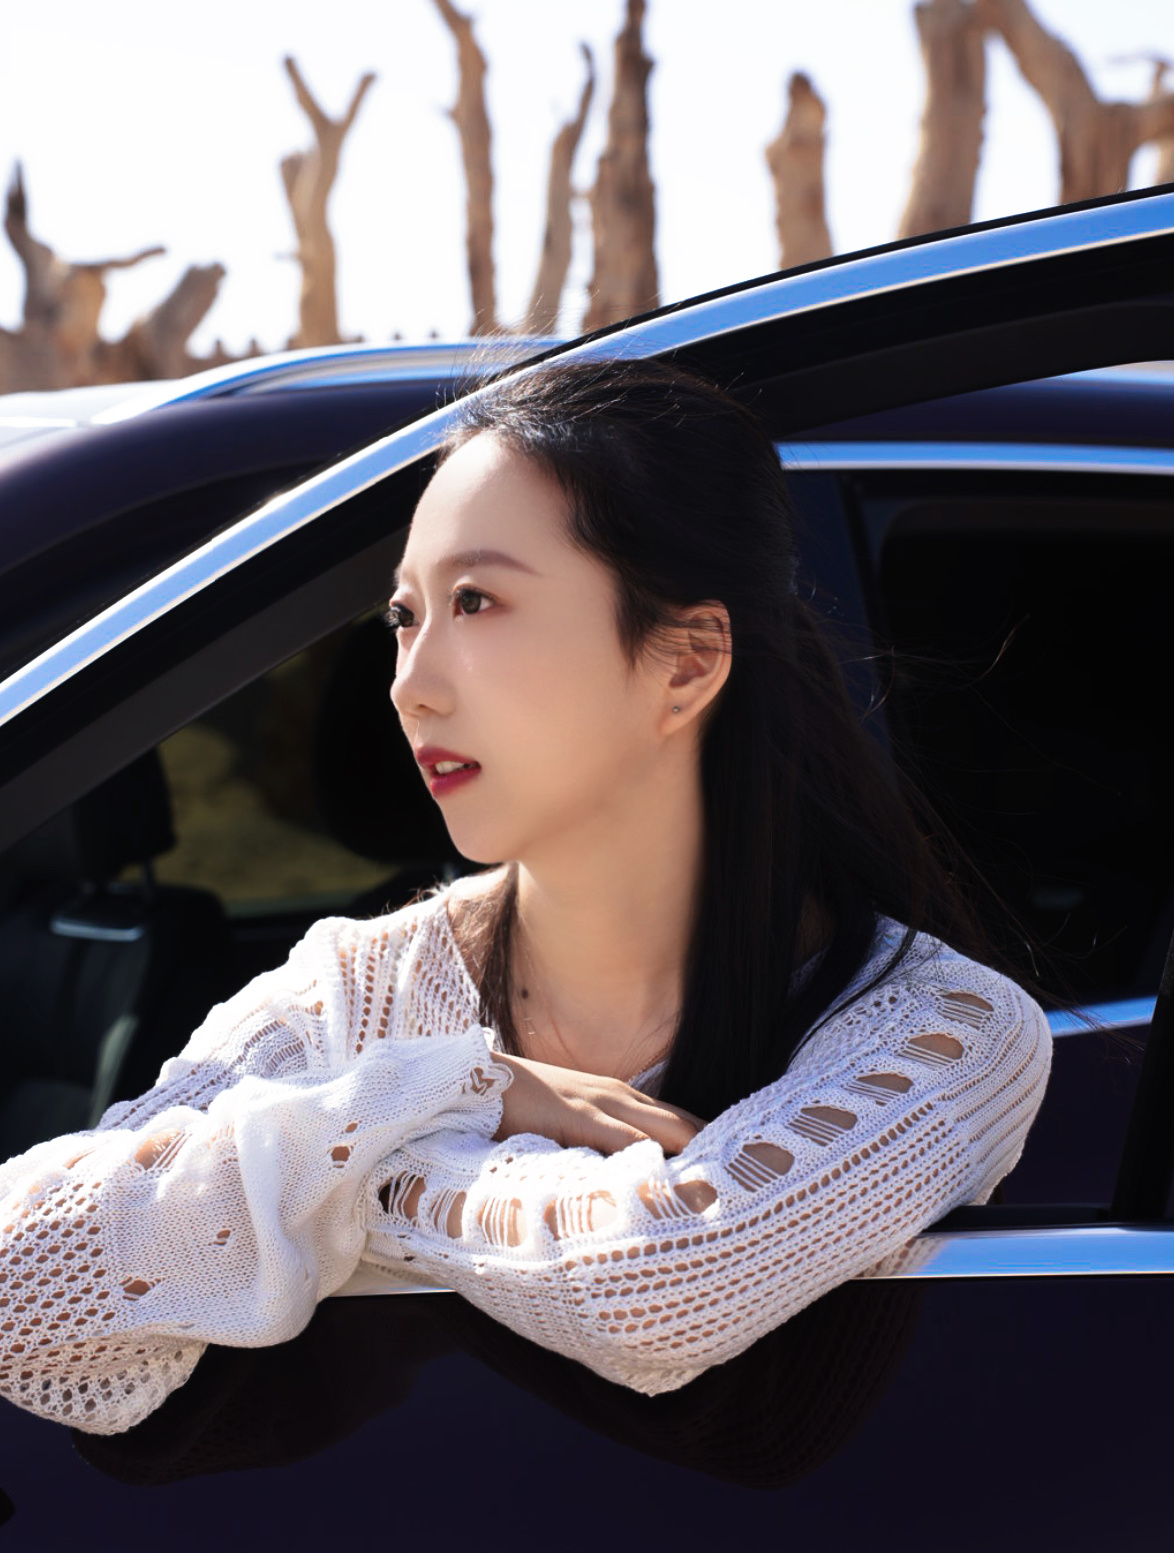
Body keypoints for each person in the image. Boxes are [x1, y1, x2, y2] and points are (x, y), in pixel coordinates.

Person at [0, 356, 1053, 1437]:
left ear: (688, 661)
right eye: (405, 615)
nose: (409, 683)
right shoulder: (358, 993)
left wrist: (353, 1162)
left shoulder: (948, 1030)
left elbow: (663, 1277)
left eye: (476, 601)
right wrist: (458, 1088)